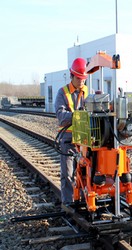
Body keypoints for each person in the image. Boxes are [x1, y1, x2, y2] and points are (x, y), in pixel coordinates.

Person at [54, 58, 88, 204]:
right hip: (68, 138)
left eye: (83, 79)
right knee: (67, 174)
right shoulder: (62, 93)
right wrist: (77, 116)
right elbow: (61, 117)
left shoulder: (88, 93)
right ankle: (68, 203)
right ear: (72, 76)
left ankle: (83, 200)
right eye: (78, 78)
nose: (81, 81)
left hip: (86, 140)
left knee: (85, 173)